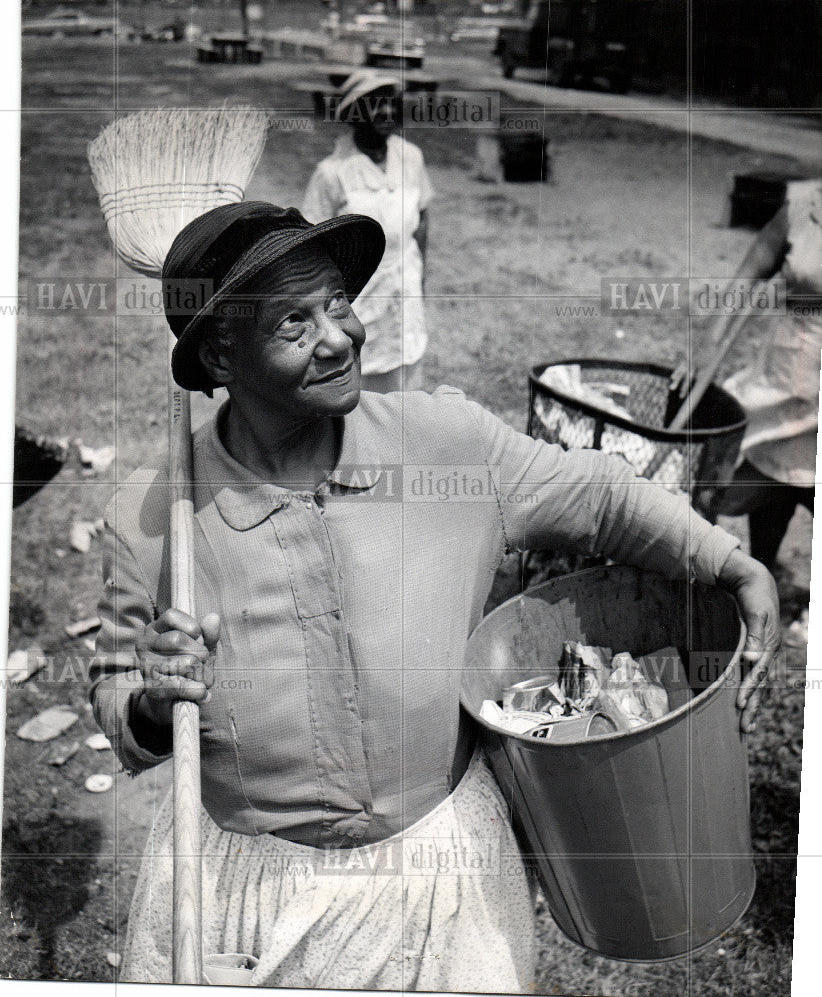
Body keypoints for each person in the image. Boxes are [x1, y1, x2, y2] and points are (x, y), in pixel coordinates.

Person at [90, 201, 780, 992]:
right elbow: (118, 700)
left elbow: (601, 497)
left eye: (339, 304)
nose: (339, 337)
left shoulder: (444, 445)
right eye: (293, 323)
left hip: (440, 877)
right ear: (220, 354)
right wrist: (149, 700)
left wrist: (731, 563)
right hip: (249, 900)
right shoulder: (150, 523)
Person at [682, 179, 821, 573]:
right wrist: (710, 341)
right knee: (747, 483)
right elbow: (752, 266)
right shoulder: (805, 204)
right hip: (785, 375)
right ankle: (752, 578)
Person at [302, 69, 432, 393]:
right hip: (357, 299)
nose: (387, 112)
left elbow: (423, 219)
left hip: (406, 289)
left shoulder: (411, 158)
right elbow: (311, 246)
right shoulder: (332, 173)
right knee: (363, 391)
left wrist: (422, 276)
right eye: (375, 105)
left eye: (392, 104)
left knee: (408, 382)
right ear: (353, 115)